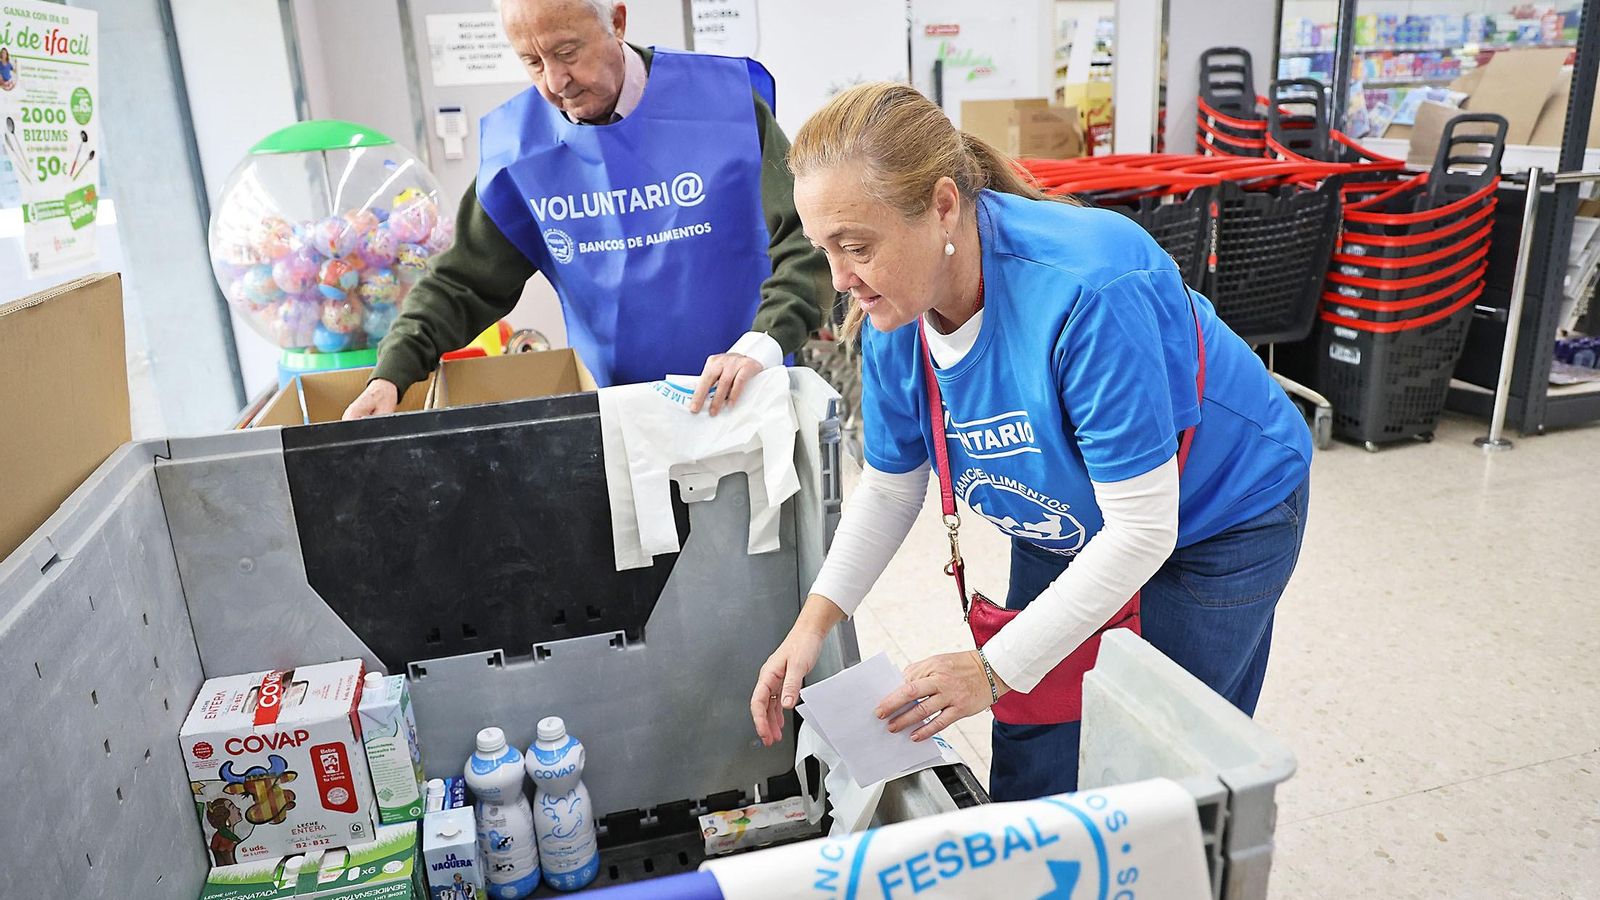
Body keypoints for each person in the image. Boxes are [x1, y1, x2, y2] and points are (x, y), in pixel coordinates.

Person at [749, 83, 1313, 801]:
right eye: (823, 248)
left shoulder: (1087, 288)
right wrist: (812, 625)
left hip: (1219, 515)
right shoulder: (895, 308)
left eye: (856, 246)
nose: (839, 280)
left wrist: (988, 669)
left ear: (943, 206)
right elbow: (893, 486)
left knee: (1157, 758)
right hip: (1066, 516)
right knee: (1034, 732)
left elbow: (1143, 528)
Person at [344, 0, 830, 420]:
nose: (557, 81)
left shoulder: (722, 106)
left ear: (617, 21)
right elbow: (461, 283)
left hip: (751, 388)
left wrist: (767, 340)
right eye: (532, 62)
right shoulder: (520, 152)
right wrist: (393, 372)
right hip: (621, 411)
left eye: (567, 52)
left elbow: (808, 239)